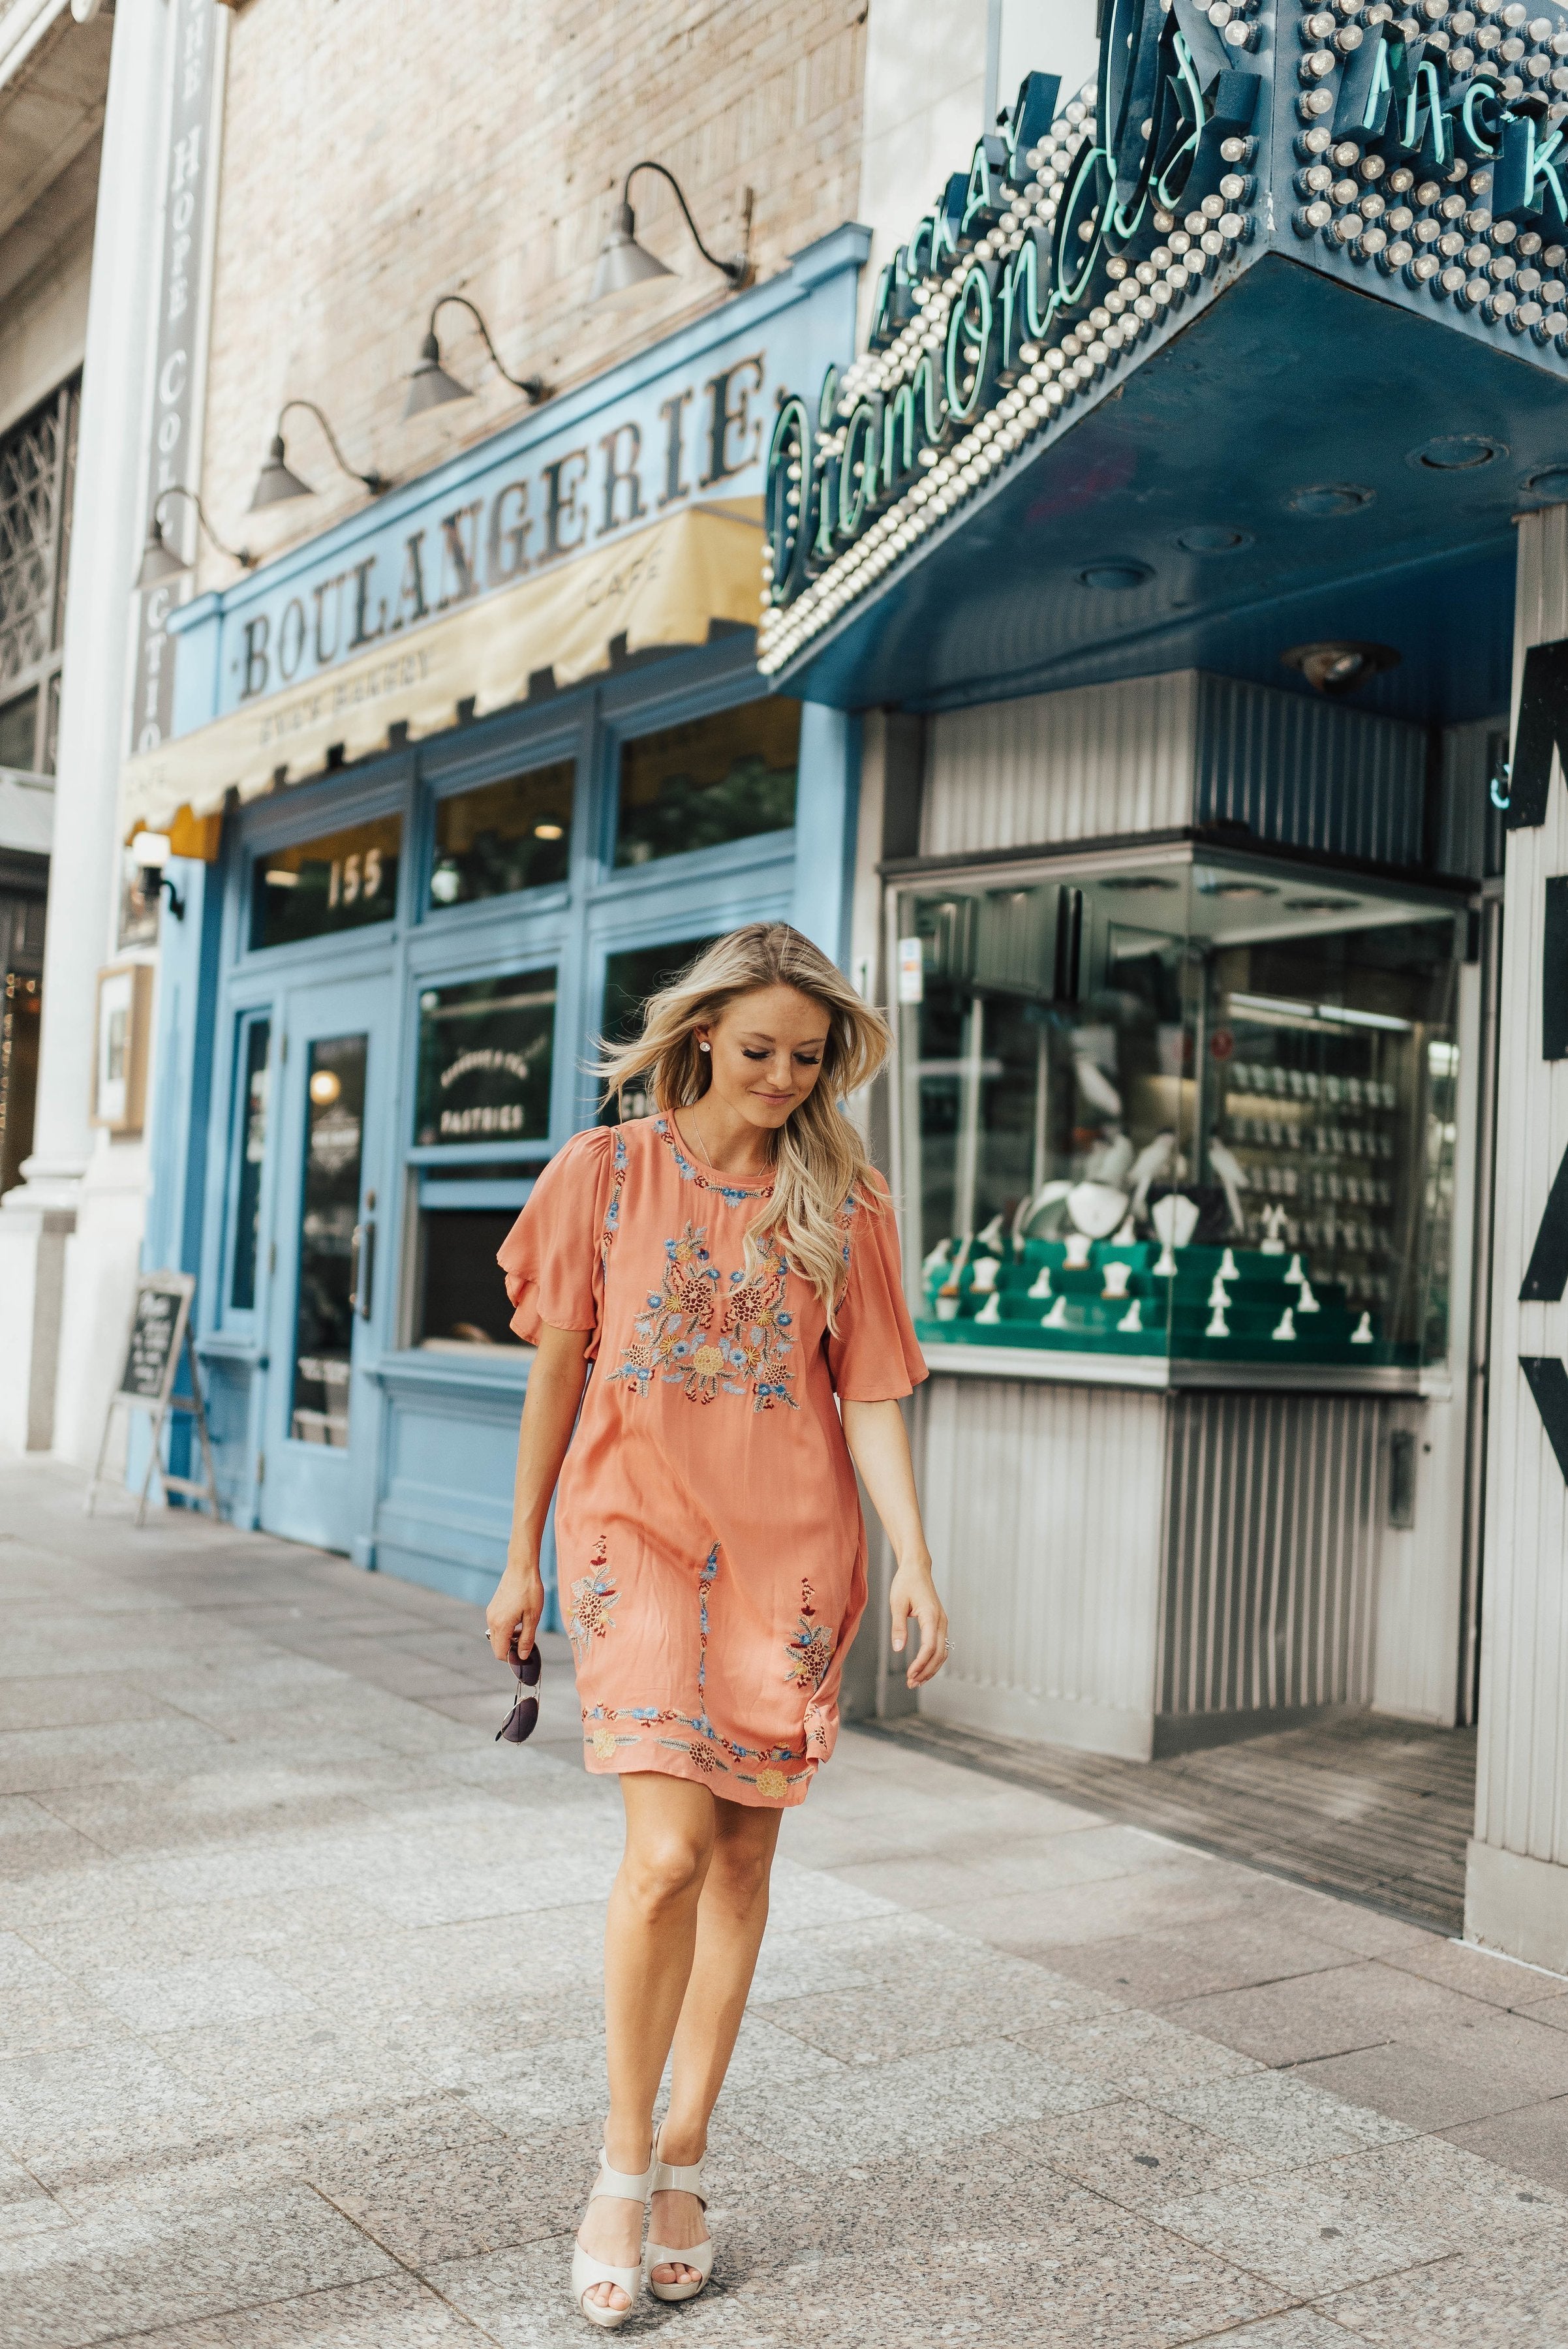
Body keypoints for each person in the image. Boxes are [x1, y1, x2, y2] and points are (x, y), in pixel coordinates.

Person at [485, 921, 947, 2329]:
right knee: (667, 1854)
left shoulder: (843, 1199)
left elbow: (867, 1390)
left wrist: (916, 1558)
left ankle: (686, 2158)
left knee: (742, 1861)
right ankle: (619, 2165)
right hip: (633, 1536)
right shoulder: (602, 1174)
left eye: (808, 1059)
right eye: (757, 1052)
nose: (782, 1078)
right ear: (698, 1037)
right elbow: (554, 1376)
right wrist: (515, 1562)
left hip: (792, 1552)